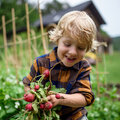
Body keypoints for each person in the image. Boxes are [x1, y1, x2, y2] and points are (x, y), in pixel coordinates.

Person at [23, 11, 99, 120]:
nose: (73, 52)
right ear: (57, 39)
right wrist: (34, 98)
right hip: (45, 114)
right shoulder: (40, 63)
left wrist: (60, 99)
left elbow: (84, 97)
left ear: (87, 49)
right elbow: (27, 85)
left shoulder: (83, 66)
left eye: (81, 48)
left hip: (74, 116)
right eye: (67, 44)